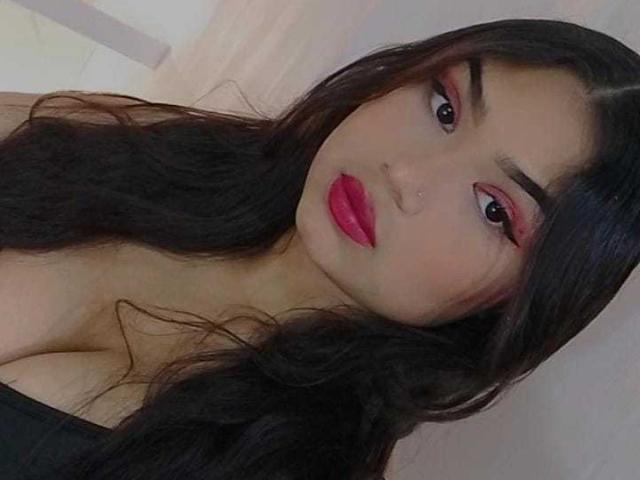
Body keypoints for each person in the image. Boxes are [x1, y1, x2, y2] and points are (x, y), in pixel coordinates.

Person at [1, 16, 639, 480]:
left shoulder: (294, 463)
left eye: (493, 209)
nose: (405, 174)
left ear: (521, 302)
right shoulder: (157, 144)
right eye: (445, 107)